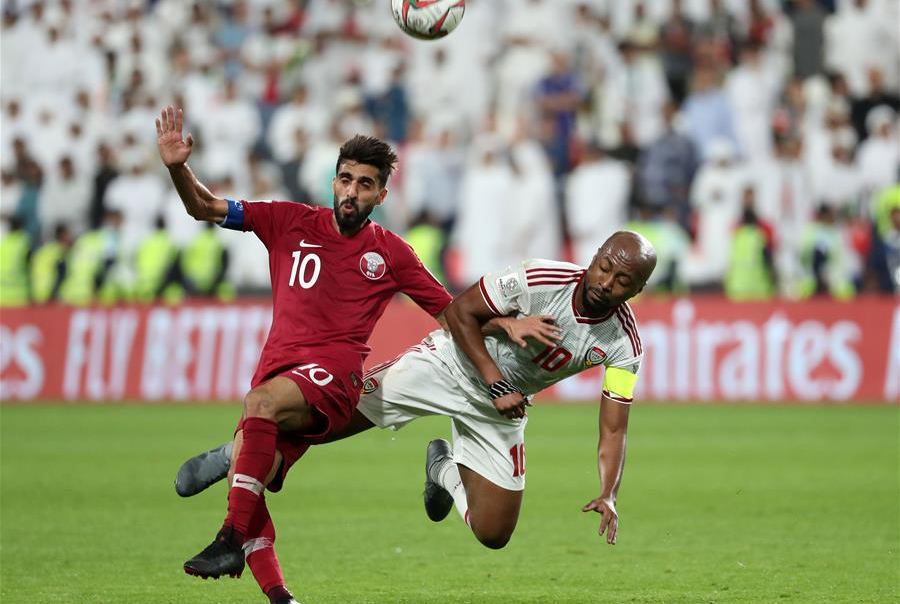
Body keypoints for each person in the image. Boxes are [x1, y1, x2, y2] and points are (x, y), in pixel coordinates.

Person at [155, 106, 453, 604]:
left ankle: (226, 539)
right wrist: (178, 167)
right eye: (345, 179)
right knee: (250, 482)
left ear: (381, 196)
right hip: (279, 374)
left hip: (334, 381)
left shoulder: (391, 253)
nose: (352, 191)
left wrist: (501, 340)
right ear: (332, 180)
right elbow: (201, 205)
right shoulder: (287, 220)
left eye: (365, 184)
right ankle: (282, 602)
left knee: (258, 410)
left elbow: (452, 313)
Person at [178, 231, 656, 555]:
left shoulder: (624, 344)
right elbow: (459, 314)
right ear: (593, 258)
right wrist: (496, 376)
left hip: (500, 407)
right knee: (319, 421)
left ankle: (443, 468)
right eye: (605, 268)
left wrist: (608, 493)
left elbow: (614, 427)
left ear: (638, 289)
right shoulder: (538, 278)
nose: (607, 283)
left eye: (623, 281)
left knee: (493, 534)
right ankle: (234, 452)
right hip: (448, 363)